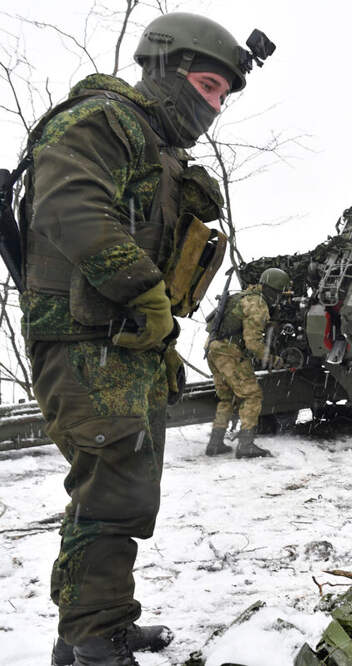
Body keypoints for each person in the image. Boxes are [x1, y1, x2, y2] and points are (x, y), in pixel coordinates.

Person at [18, 12, 272, 665]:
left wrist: (159, 340)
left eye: (223, 96)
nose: (213, 106)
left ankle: (92, 627)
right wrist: (145, 295)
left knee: (122, 492)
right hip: (84, 340)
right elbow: (70, 208)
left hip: (119, 343)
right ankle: (95, 643)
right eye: (208, 86)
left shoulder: (154, 146)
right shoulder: (103, 119)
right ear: (166, 67)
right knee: (110, 486)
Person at [204, 267, 291, 458]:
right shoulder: (257, 303)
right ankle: (246, 444)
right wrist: (272, 359)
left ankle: (215, 443)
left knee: (227, 398)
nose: (279, 299)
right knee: (252, 395)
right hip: (228, 353)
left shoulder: (242, 296)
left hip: (213, 349)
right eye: (279, 294)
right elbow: (253, 343)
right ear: (273, 290)